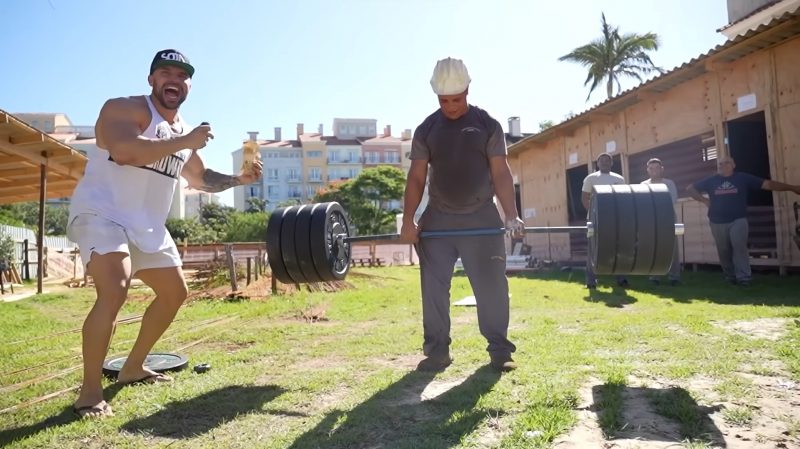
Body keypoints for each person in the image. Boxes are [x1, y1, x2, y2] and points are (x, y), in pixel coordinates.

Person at [66, 49, 263, 418]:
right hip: (102, 213)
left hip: (146, 225)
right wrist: (186, 141)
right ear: (152, 79)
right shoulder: (124, 108)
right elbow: (124, 151)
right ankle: (90, 392)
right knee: (116, 288)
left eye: (182, 74)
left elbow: (200, 179)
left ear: (188, 85)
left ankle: (132, 367)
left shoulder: (179, 133)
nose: (174, 78)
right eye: (165, 72)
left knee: (175, 293)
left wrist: (239, 179)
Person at [399, 57, 524, 373]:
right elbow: (416, 177)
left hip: (481, 218)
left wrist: (512, 216)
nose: (451, 106)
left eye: (457, 99)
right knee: (433, 289)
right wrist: (408, 219)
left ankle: (499, 351)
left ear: (468, 89)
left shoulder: (487, 125)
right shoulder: (427, 129)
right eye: (444, 101)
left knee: (492, 287)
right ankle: (437, 351)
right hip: (438, 220)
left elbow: (501, 173)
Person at [687, 155, 800, 286]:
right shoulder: (711, 180)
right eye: (721, 164)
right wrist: (704, 200)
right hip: (716, 221)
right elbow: (690, 189)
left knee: (739, 247)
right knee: (723, 251)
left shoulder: (743, 178)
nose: (723, 166)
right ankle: (730, 276)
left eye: (727, 163)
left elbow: (767, 184)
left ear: (734, 165)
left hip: (738, 219)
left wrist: (792, 187)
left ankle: (744, 278)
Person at [581, 153, 628, 289]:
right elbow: (584, 198)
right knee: (593, 249)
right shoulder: (591, 178)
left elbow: (623, 198)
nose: (605, 162)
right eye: (602, 160)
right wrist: (592, 214)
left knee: (618, 248)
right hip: (595, 219)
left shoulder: (619, 179)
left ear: (611, 163)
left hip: (615, 218)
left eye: (608, 160)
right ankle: (591, 281)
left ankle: (621, 279)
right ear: (598, 163)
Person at [641, 158, 681, 285]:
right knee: (654, 249)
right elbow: (643, 203)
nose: (654, 170)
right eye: (651, 168)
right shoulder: (643, 185)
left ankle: (674, 277)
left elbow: (672, 200)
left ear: (662, 169)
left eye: (657, 168)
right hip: (651, 221)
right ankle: (654, 277)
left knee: (672, 249)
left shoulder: (669, 184)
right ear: (647, 170)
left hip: (668, 219)